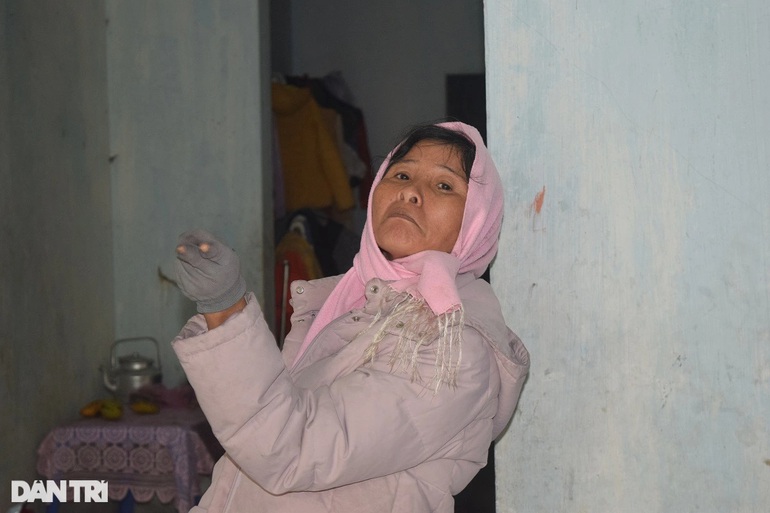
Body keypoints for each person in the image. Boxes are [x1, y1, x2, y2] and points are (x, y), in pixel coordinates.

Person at [172, 121, 529, 512]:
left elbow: (291, 448)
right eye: (402, 175)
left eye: (444, 185)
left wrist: (225, 307)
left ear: (477, 221)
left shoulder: (453, 347)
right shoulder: (348, 304)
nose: (410, 192)